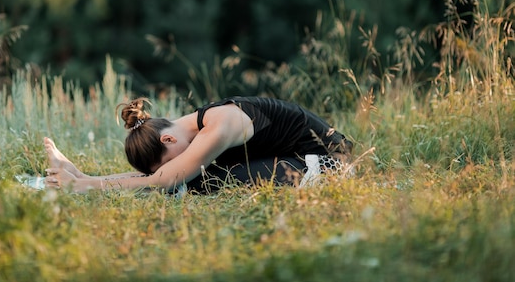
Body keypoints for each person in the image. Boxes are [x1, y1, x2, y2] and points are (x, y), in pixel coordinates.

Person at [43, 96, 354, 194]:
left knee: (197, 183)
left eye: (166, 160)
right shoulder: (191, 128)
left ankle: (81, 183)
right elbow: (161, 176)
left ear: (167, 139)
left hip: (330, 166)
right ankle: (80, 176)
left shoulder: (219, 126)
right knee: (187, 179)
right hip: (295, 159)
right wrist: (84, 179)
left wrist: (85, 189)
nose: (173, 165)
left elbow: (164, 179)